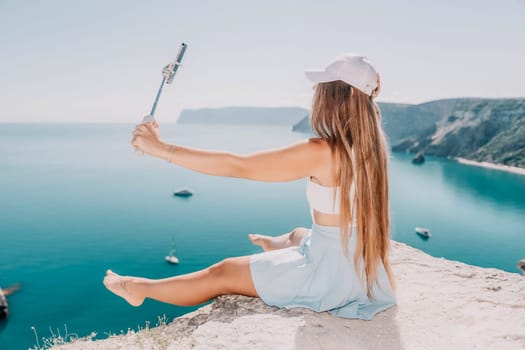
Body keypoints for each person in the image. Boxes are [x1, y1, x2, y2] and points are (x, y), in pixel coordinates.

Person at [104, 53, 397, 321]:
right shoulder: (371, 147)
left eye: (320, 85)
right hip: (360, 262)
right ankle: (277, 245)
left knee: (223, 272)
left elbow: (237, 165)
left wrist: (161, 148)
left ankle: (138, 288)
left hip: (333, 275)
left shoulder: (322, 152)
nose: (313, 91)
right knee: (298, 234)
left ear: (337, 96)